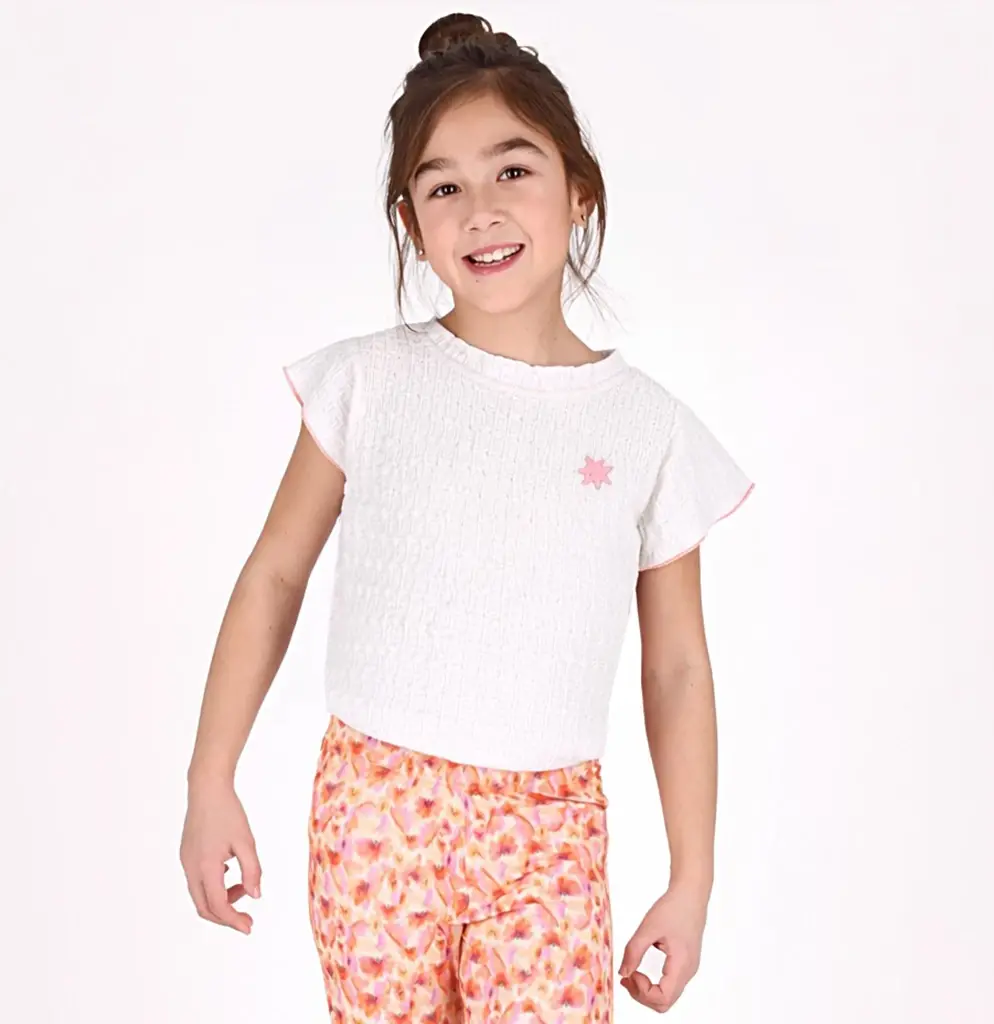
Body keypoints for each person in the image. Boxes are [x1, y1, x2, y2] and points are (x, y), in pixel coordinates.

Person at [180, 12, 755, 1022]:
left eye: (513, 171)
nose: (480, 211)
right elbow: (274, 573)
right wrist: (210, 777)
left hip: (548, 829)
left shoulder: (647, 429)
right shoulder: (368, 383)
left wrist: (691, 879)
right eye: (443, 187)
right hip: (373, 815)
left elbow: (676, 668)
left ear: (579, 190)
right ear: (412, 223)